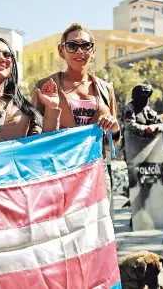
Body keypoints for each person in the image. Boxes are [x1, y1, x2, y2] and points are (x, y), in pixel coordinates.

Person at [31, 23, 121, 220]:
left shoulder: (105, 88)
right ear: (61, 51)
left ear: (93, 50)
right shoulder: (45, 86)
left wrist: (114, 129)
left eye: (85, 46)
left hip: (95, 172)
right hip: (60, 174)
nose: (79, 51)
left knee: (99, 231)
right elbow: (34, 138)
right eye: (72, 45)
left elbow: (112, 142)